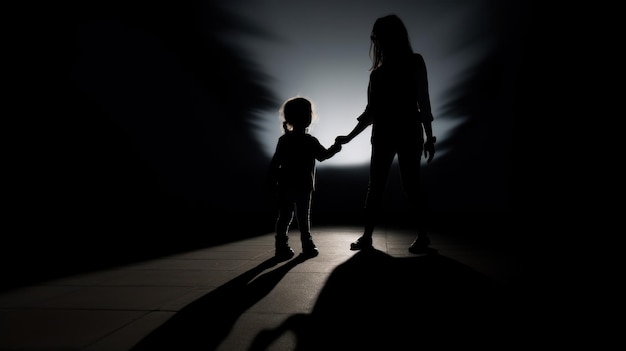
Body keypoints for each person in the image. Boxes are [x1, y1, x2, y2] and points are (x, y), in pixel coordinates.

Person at [335, 14, 436, 254]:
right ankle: (376, 236)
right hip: (400, 131)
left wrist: (429, 137)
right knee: (392, 186)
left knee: (392, 186)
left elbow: (422, 102)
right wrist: (348, 137)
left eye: (377, 37)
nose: (376, 42)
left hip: (397, 132)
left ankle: (389, 236)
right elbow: (374, 112)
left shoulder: (394, 68)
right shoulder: (388, 70)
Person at [268, 96, 342, 259]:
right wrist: (336, 147)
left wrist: (272, 182)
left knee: (285, 217)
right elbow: (323, 156)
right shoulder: (309, 141)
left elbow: (275, 164)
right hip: (303, 185)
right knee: (302, 217)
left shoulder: (284, 140)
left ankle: (281, 247)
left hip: (285, 185)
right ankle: (307, 245)